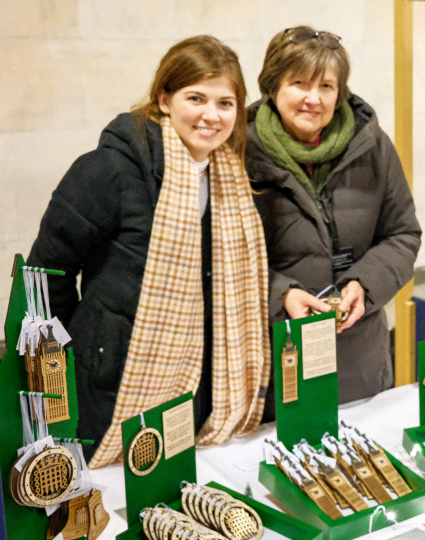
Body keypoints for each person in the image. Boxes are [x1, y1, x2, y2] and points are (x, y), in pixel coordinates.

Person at [27, 36, 271, 467]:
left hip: (195, 388)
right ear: (164, 97)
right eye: (196, 98)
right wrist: (75, 355)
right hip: (111, 381)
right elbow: (47, 276)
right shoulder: (109, 170)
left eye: (225, 103)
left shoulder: (233, 179)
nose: (211, 116)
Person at [247, 27, 421, 403]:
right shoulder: (239, 152)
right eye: (299, 83)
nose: (313, 98)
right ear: (272, 87)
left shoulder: (372, 144)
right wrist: (282, 295)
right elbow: (219, 257)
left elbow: (403, 233)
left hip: (357, 354)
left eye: (326, 86)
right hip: (272, 358)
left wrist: (365, 284)